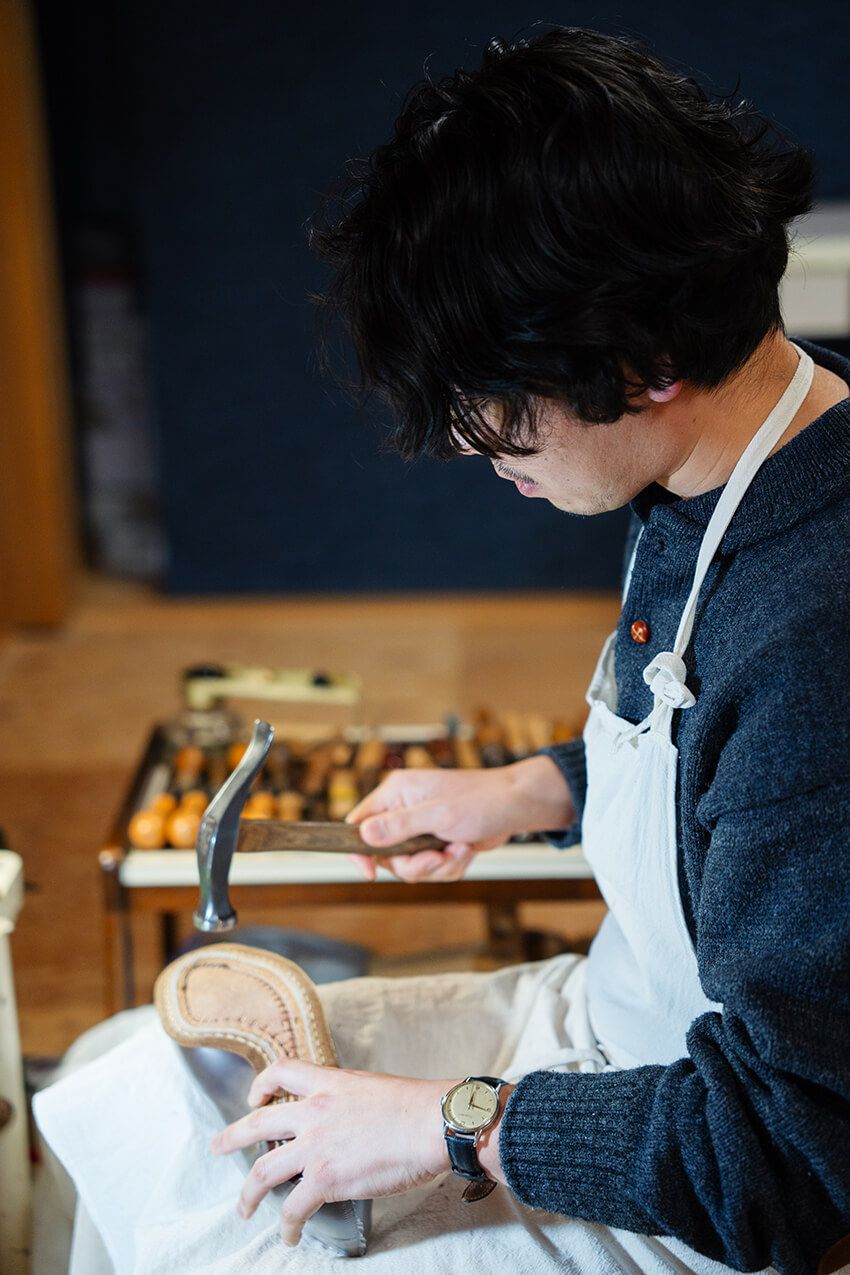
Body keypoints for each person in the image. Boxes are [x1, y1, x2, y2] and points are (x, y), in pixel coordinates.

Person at [34, 26, 850, 1275]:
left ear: (648, 362)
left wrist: (447, 1123)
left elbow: (791, 1164)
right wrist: (532, 789)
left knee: (223, 1244)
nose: (473, 446)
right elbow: (713, 765)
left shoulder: (819, 640)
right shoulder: (718, 461)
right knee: (144, 1079)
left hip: (704, 1187)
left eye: (492, 405)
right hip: (604, 1038)